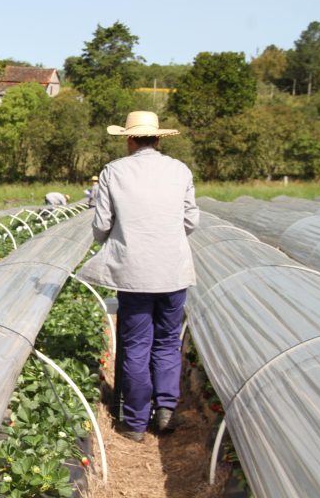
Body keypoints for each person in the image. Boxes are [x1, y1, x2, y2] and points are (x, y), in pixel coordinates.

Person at [77, 111, 199, 442]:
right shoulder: (179, 170)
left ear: (129, 139)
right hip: (173, 271)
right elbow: (191, 221)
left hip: (133, 273)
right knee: (167, 340)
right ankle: (165, 410)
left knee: (135, 343)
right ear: (158, 138)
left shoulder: (113, 172)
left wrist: (115, 240)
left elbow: (102, 224)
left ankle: (133, 422)